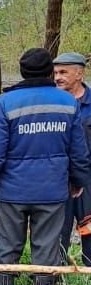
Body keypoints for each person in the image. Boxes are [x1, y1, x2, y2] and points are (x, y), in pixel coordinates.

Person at [0, 48, 90, 285]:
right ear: (49, 71)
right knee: (47, 245)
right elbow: (78, 151)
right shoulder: (68, 103)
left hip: (14, 191)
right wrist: (78, 181)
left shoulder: (7, 103)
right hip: (52, 190)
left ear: (23, 72)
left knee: (8, 244)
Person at [53, 52, 91, 266]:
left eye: (63, 72)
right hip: (59, 179)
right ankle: (56, 279)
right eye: (56, 72)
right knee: (58, 232)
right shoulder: (52, 104)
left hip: (88, 181)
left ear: (79, 73)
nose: (58, 77)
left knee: (90, 231)